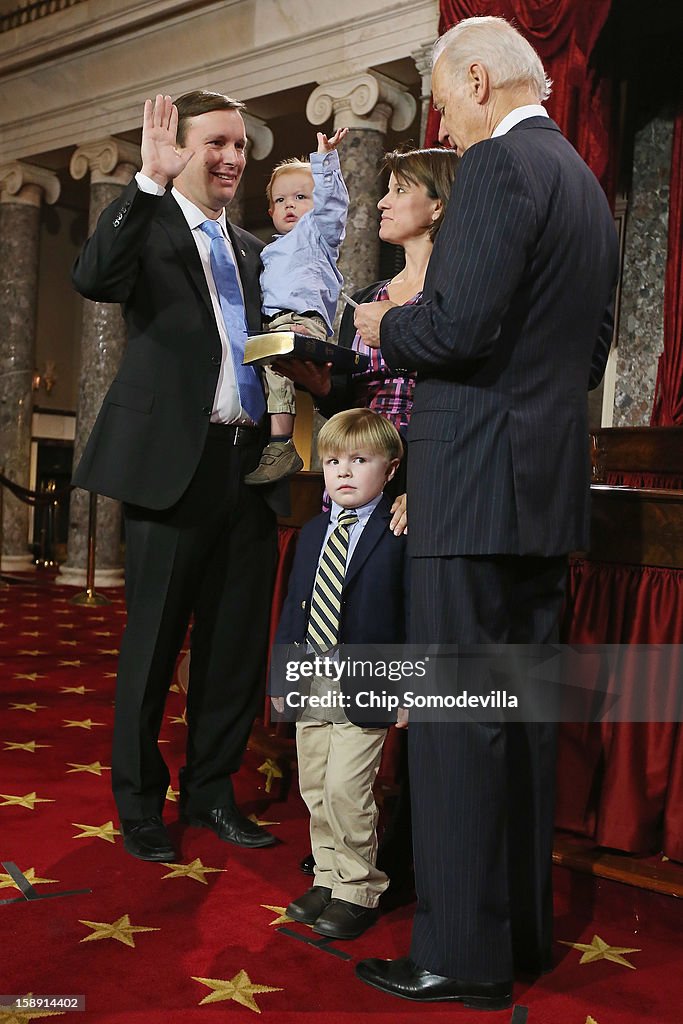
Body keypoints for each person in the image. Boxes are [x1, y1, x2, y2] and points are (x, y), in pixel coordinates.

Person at [352, 16, 619, 1010]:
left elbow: (456, 327)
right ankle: (517, 934)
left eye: (443, 102)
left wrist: (389, 324)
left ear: (476, 77)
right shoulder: (586, 188)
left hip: (469, 488)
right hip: (542, 490)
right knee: (517, 720)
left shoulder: (499, 174)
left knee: (462, 726)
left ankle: (460, 957)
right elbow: (589, 349)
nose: (444, 124)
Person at [71, 91, 280, 862]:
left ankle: (212, 791)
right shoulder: (148, 226)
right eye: (216, 143)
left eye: (240, 148)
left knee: (231, 650)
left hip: (246, 470)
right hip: (170, 470)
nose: (230, 159)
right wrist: (147, 184)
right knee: (154, 645)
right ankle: (138, 804)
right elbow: (92, 276)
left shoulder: (256, 251)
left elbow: (259, 349)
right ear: (180, 148)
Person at [272, 408, 408, 940]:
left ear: (390, 470)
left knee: (348, 789)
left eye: (360, 460)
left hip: (367, 682)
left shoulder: (398, 531)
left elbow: (411, 613)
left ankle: (359, 887)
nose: (344, 472)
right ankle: (327, 874)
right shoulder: (310, 534)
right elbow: (292, 609)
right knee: (314, 784)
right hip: (312, 679)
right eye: (333, 461)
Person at [274, 146, 459, 524]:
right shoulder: (365, 299)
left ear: (438, 206)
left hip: (421, 472)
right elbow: (347, 400)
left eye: (400, 191)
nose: (381, 203)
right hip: (355, 468)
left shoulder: (456, 298)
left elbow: (463, 400)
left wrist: (427, 484)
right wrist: (322, 387)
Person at [243, 129, 349, 486]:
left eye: (302, 197)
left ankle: (296, 444)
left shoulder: (317, 236)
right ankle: (280, 444)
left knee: (285, 364)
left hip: (304, 321)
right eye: (281, 200)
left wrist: (325, 160)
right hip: (275, 324)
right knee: (274, 380)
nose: (290, 205)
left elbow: (334, 207)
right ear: (270, 210)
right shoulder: (269, 251)